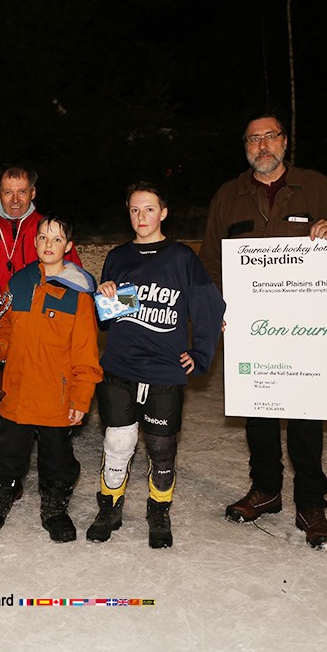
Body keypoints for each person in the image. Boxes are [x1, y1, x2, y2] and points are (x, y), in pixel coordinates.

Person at [198, 113, 327, 550]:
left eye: (269, 137)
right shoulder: (228, 196)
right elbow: (211, 259)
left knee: (306, 416)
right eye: (253, 139)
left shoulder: (315, 187)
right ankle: (265, 490)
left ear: (284, 141)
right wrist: (216, 310)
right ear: (245, 147)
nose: (262, 145)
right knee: (260, 413)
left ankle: (311, 502)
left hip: (304, 328)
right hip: (252, 328)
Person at [89, 183, 225, 548]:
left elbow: (210, 305)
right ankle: (110, 505)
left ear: (163, 213)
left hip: (164, 371)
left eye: (149, 209)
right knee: (118, 442)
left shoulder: (182, 257)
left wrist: (199, 355)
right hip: (120, 367)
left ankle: (158, 509)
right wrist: (104, 297)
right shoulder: (117, 256)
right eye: (134, 210)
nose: (141, 217)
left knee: (162, 448)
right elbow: (106, 320)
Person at [0, 214, 103, 543]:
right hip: (17, 391)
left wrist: (80, 397)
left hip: (56, 397)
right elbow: (6, 331)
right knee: (7, 454)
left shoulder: (80, 293)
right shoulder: (19, 282)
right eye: (43, 237)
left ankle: (55, 509)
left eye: (57, 239)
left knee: (57, 458)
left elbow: (86, 353)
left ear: (68, 246)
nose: (49, 244)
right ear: (34, 243)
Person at [0, 164, 81, 447]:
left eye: (22, 192)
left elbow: (74, 280)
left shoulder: (50, 230)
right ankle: (3, 463)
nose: (15, 200)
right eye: (8, 192)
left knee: (45, 410)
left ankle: (46, 458)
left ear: (33, 192)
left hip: (43, 335)